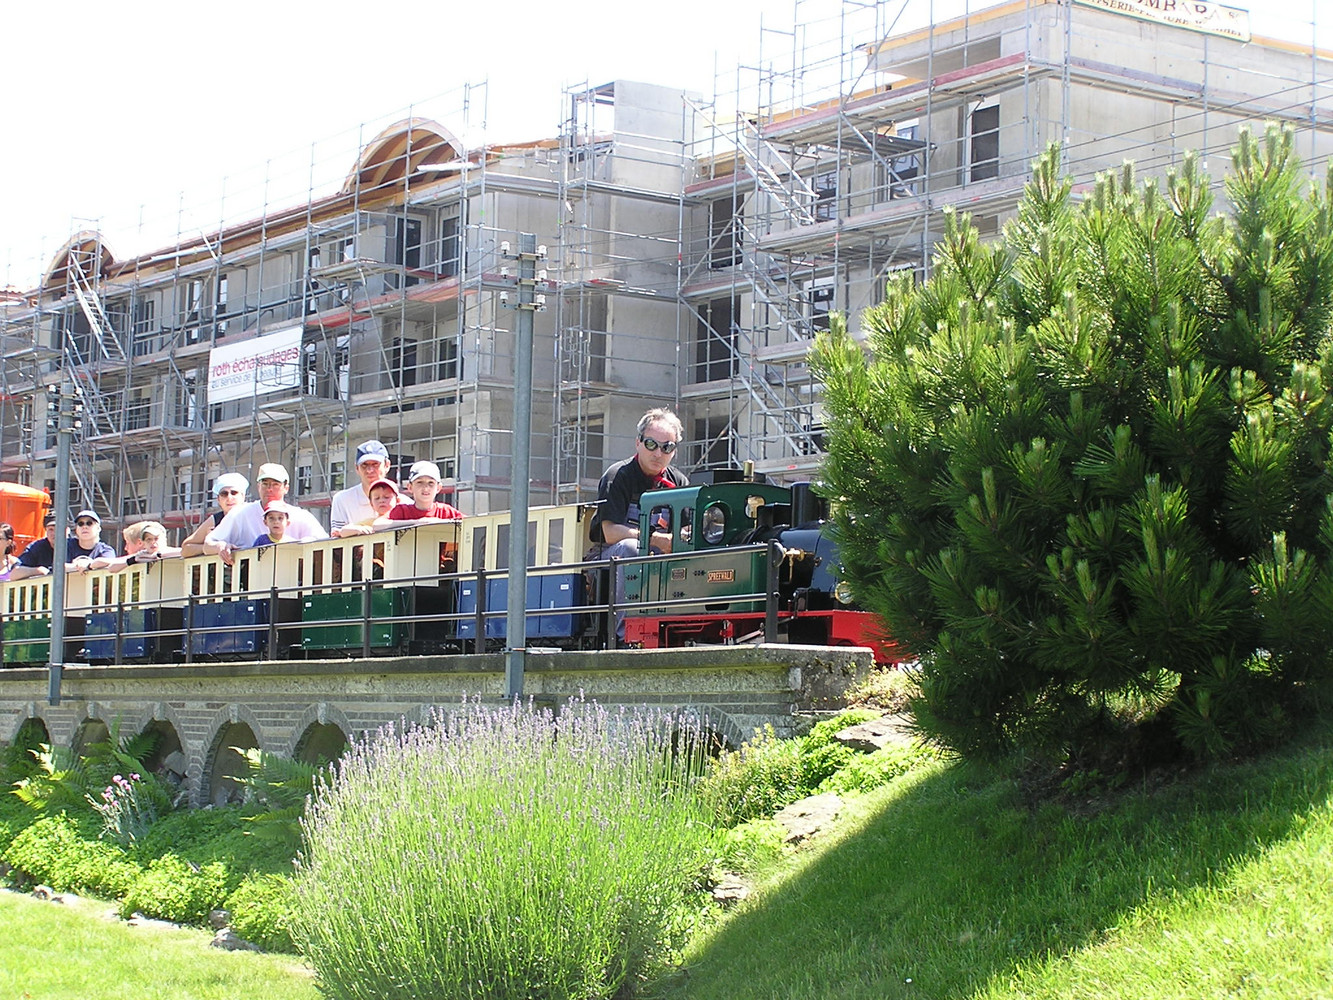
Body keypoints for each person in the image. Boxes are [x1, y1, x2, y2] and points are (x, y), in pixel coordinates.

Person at [589, 408, 689, 559]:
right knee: (632, 548)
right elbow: (610, 532)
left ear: (674, 451)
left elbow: (689, 528)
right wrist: (656, 540)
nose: (658, 454)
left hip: (661, 559)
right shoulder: (617, 476)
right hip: (611, 559)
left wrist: (682, 537)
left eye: (667, 447)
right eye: (651, 444)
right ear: (638, 443)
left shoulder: (679, 482)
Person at [203, 463, 329, 564]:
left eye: (275, 484)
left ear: (286, 488)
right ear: (258, 486)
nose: (269, 489)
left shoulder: (302, 516)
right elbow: (207, 545)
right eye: (265, 484)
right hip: (251, 583)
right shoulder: (239, 514)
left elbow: (325, 544)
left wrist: (307, 543)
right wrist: (220, 546)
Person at [11, 509, 116, 581]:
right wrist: (39, 570)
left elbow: (111, 563)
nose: (84, 527)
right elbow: (59, 568)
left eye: (89, 523)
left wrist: (88, 565)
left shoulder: (105, 549)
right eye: (80, 524)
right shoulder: (65, 546)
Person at [330, 440, 402, 533]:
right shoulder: (342, 500)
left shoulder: (404, 502)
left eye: (375, 464)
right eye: (364, 465)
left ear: (387, 465)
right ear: (357, 468)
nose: (369, 470)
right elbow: (336, 535)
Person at [181, 473, 248, 558]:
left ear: (243, 496)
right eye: (224, 494)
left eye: (234, 493)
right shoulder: (215, 520)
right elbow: (186, 548)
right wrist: (212, 547)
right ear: (218, 500)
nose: (229, 497)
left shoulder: (252, 514)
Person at [376, 461, 463, 527]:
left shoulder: (445, 511)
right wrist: (417, 523)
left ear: (438, 488)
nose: (425, 488)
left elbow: (468, 524)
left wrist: (439, 522)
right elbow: (377, 525)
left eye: (431, 483)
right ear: (410, 487)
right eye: (420, 482)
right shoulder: (402, 510)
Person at [106, 520, 181, 573]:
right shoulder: (142, 554)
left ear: (164, 539)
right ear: (143, 543)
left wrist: (157, 555)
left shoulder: (170, 552)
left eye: (156, 539)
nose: (153, 543)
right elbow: (111, 568)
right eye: (148, 539)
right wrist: (133, 560)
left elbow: (182, 552)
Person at [335, 477, 401, 536]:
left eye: (386, 497)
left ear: (397, 501)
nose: (381, 501)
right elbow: (343, 531)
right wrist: (358, 529)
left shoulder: (402, 517)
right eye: (377, 498)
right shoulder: (370, 522)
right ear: (371, 504)